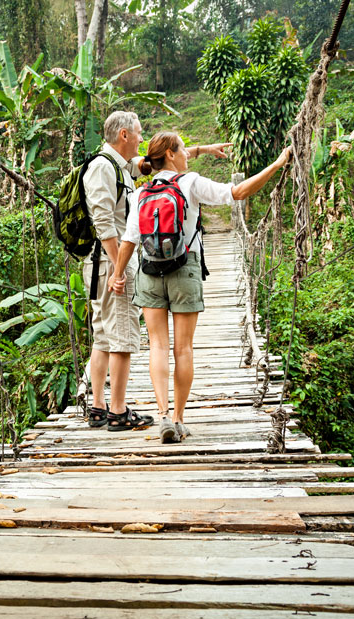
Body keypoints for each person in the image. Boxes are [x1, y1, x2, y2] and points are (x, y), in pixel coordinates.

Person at [109, 131, 291, 442]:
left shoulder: (140, 194)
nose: (185, 155)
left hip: (150, 272)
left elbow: (129, 240)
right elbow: (239, 192)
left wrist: (117, 274)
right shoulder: (190, 183)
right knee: (183, 348)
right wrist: (276, 164)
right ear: (170, 154)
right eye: (182, 149)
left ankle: (163, 414)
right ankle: (179, 419)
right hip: (184, 269)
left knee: (158, 346)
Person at [83, 112, 232, 430]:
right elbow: (104, 223)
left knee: (104, 336)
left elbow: (163, 161)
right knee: (121, 335)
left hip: (112, 263)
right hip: (109, 261)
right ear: (124, 135)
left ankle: (98, 407)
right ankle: (118, 412)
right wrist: (118, 269)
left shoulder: (121, 166)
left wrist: (203, 150)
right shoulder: (101, 167)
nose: (141, 138)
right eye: (138, 133)